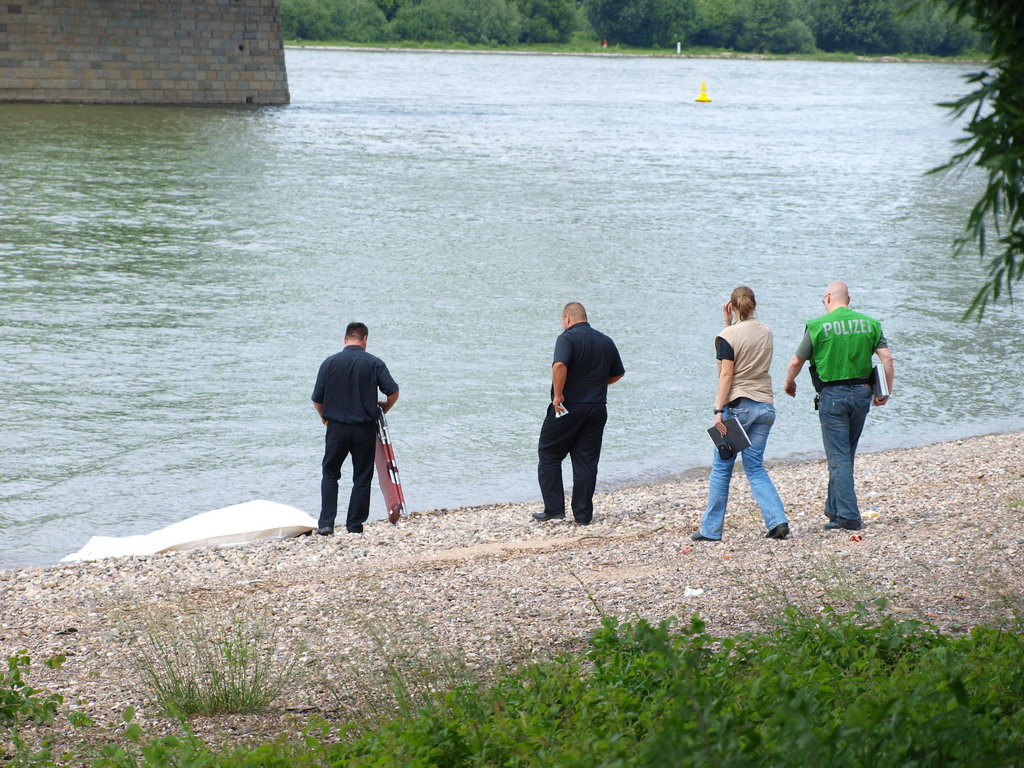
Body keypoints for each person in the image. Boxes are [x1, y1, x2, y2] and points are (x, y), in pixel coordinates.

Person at [784, 281, 894, 531]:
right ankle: (833, 510)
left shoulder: (817, 326)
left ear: (827, 298)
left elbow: (795, 360)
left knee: (839, 457)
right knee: (845, 454)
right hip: (863, 394)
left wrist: (789, 383)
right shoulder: (871, 324)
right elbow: (886, 358)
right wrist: (885, 390)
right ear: (849, 299)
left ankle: (849, 516)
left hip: (832, 396)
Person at [692, 287, 790, 542]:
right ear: (754, 304)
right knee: (755, 466)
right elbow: (748, 347)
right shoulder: (766, 331)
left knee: (722, 468)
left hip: (738, 408)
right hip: (765, 406)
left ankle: (710, 531)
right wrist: (730, 323)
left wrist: (718, 411)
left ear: (732, 306)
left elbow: (727, 375)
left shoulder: (727, 336)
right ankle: (777, 521)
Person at [534, 302, 624, 526]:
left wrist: (558, 395)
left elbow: (559, 365)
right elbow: (618, 374)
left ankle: (554, 510)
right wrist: (593, 383)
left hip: (568, 407)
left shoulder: (567, 338)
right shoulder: (605, 340)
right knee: (586, 460)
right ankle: (583, 515)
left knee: (549, 454)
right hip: (596, 407)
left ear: (567, 318)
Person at [311, 322, 399, 535]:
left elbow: (316, 399)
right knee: (361, 476)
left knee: (330, 473)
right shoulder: (374, 363)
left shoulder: (329, 363)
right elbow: (393, 392)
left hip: (336, 428)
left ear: (345, 339)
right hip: (364, 429)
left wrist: (324, 418)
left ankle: (326, 524)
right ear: (365, 340)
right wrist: (384, 409)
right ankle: (354, 525)